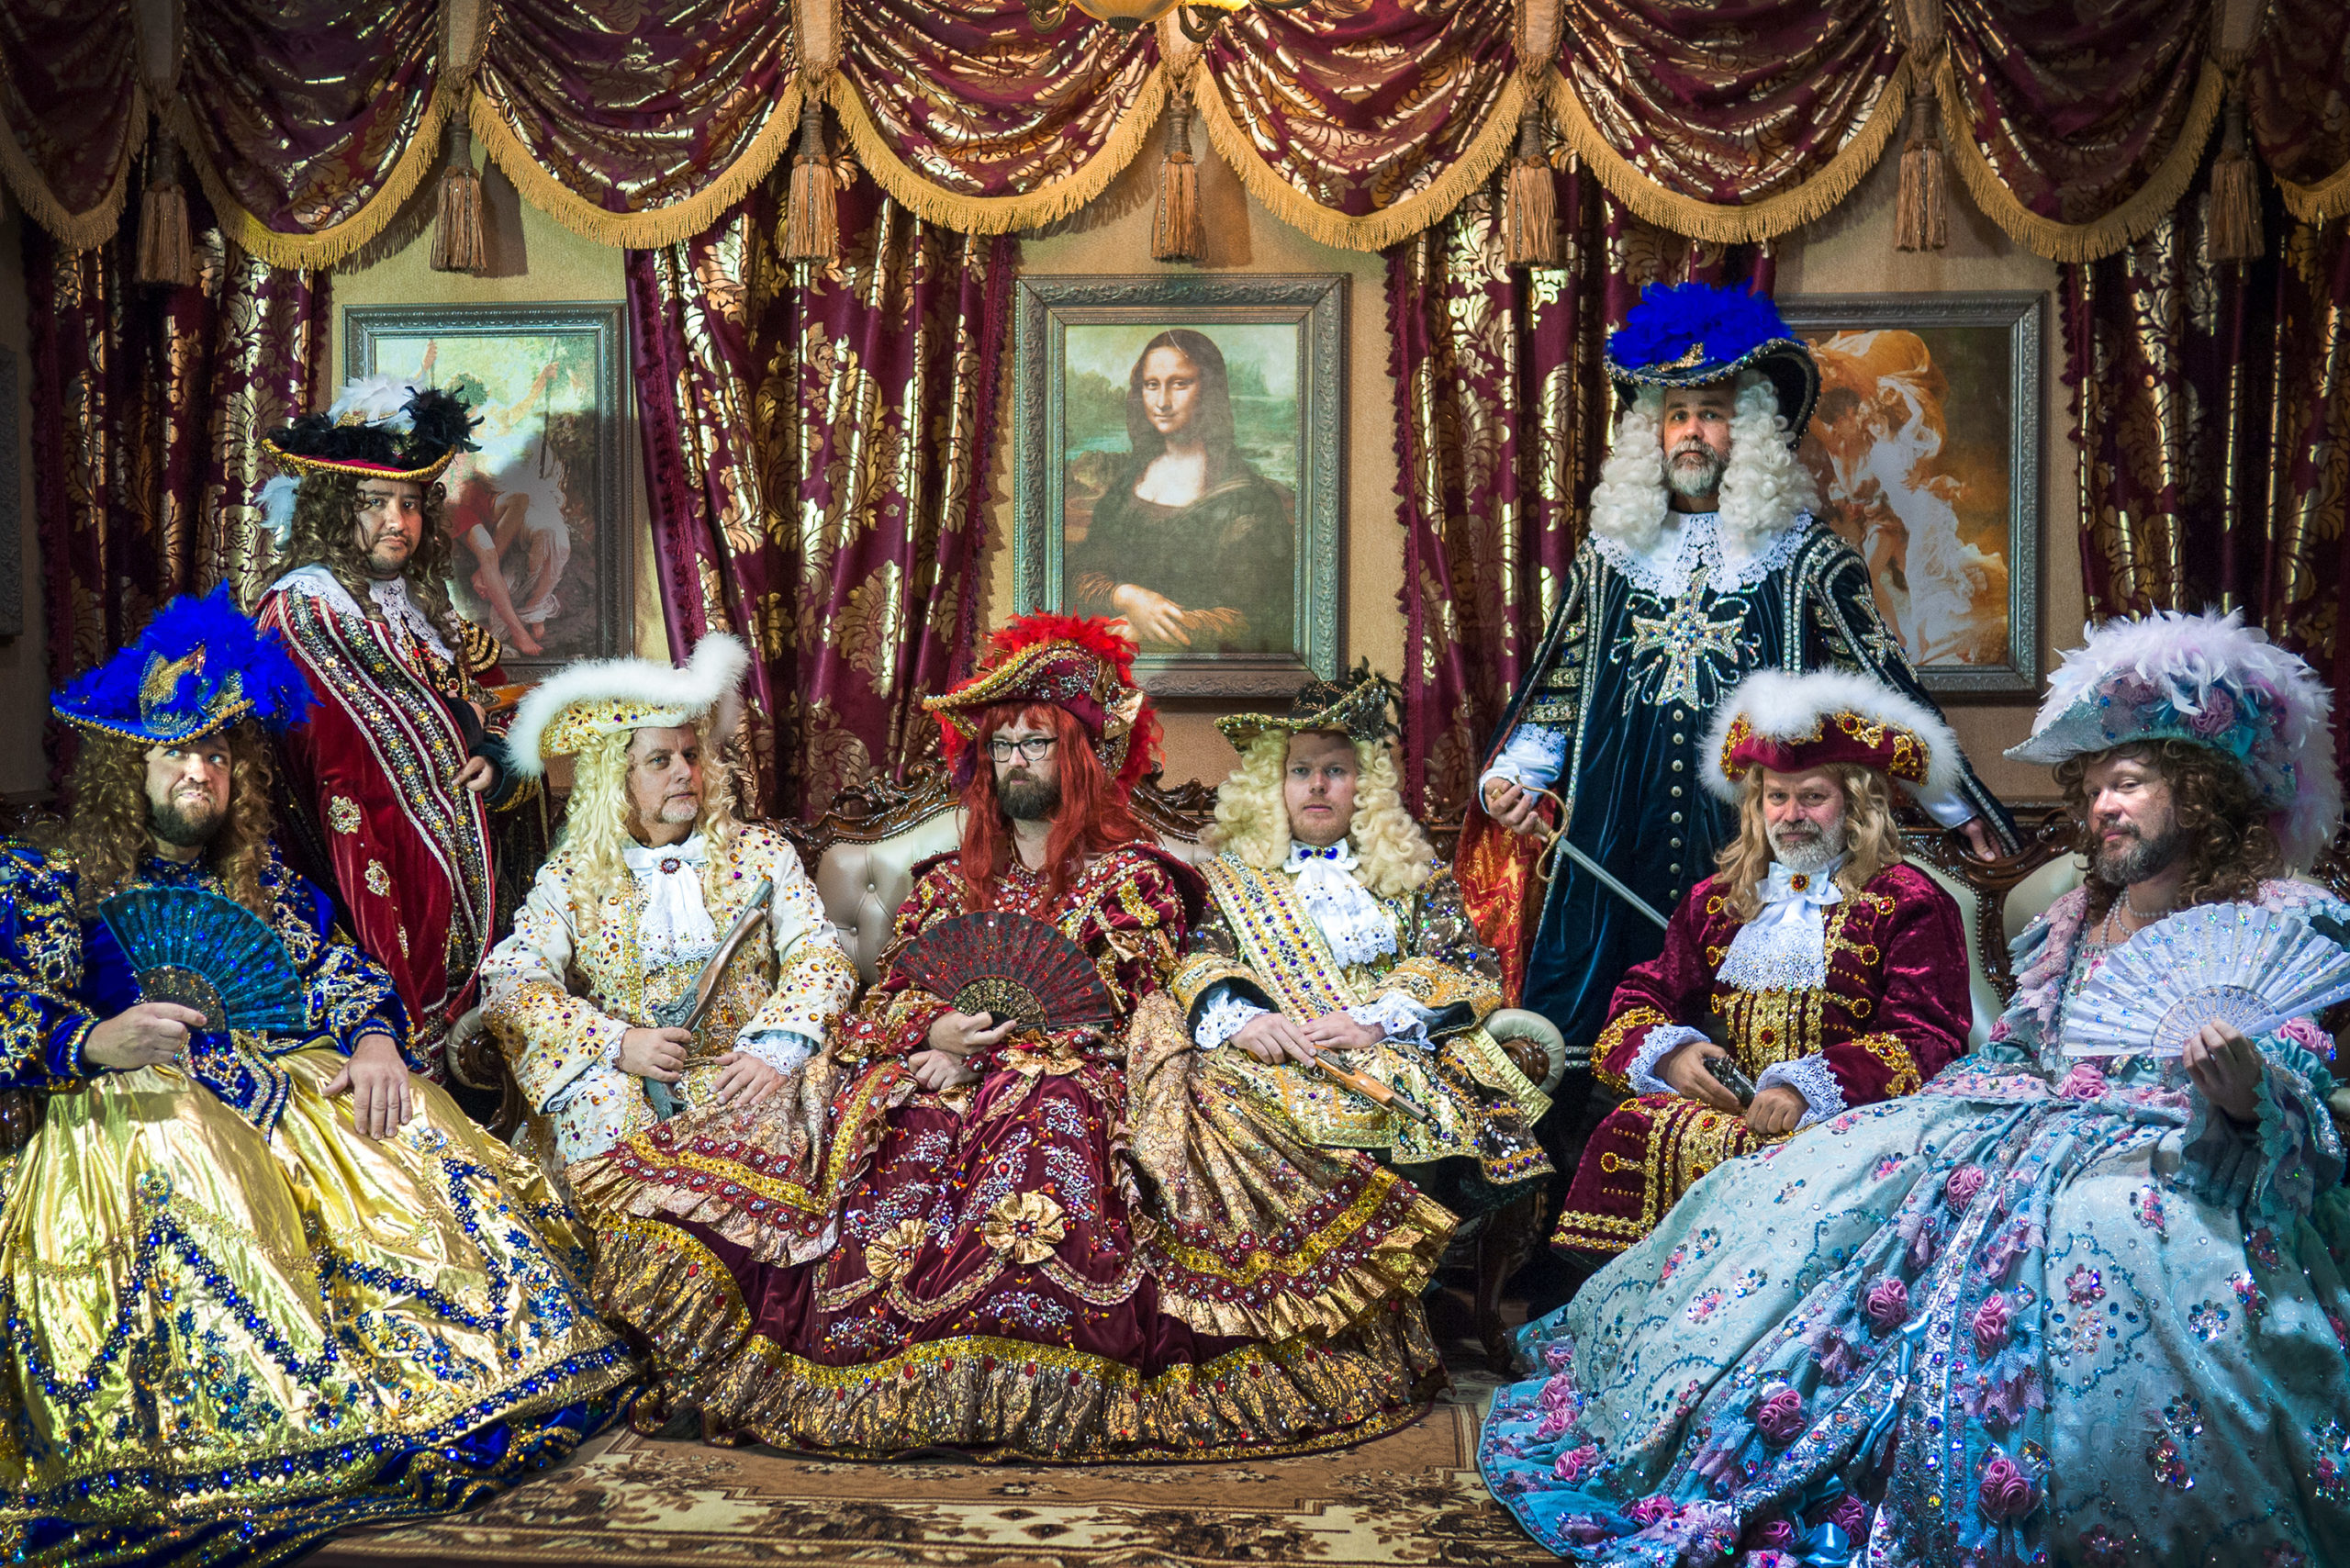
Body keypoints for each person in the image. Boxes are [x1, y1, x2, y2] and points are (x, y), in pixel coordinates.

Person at [1479, 610, 2350, 1567]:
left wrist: (2241, 1093)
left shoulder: (2274, 922)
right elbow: (2013, 1051)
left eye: (2129, 784)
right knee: (1834, 1185)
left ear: (2201, 794)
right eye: (2094, 787)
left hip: (2170, 1152)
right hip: (2018, 1121)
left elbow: (2300, 1098)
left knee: (2101, 1235)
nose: (2102, 806)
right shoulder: (2074, 916)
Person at [570, 614, 1453, 1460]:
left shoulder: (1131, 879)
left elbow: (1128, 1007)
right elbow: (880, 1006)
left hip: (1080, 1076)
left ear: (1075, 753)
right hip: (936, 1073)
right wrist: (936, 1029)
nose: (1019, 759)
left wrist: (1012, 1051)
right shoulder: (946, 884)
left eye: (1038, 740)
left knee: (1050, 1125)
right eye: (1004, 744)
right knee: (893, 1132)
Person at [0, 590, 632, 1566]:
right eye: (178, 752)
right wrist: (87, 1042)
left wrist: (376, 1039)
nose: (200, 771)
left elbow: (339, 970)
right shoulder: (48, 881)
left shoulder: (267, 881)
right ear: (133, 769)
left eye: (216, 753)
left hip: (287, 1087)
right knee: (189, 1157)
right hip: (136, 1103)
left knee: (405, 1118)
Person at [1456, 281, 2013, 1173]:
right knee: (1585, 1021)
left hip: (1753, 832)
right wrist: (1512, 778)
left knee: (1750, 1019)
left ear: (1747, 432)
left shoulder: (1806, 562)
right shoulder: (1608, 561)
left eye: (1709, 414)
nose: (1688, 432)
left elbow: (1883, 687)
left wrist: (1962, 810)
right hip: (1611, 823)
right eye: (1674, 413)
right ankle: (1571, 1232)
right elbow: (1556, 688)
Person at [1550, 668, 1972, 1263]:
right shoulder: (1719, 901)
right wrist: (1673, 1054)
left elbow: (1928, 1039)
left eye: (1813, 796)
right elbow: (1643, 996)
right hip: (1735, 1115)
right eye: (1778, 796)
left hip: (1850, 1124)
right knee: (1633, 1125)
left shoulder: (1909, 902)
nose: (1791, 814)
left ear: (1855, 803)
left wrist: (1809, 1088)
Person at [1175, 664, 1553, 1215]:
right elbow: (1198, 962)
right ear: (1273, 786)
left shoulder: (1413, 876)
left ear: (1367, 787)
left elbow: (1465, 965)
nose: (1318, 786)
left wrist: (1377, 1020)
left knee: (1422, 1086)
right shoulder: (1231, 880)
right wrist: (1245, 1020)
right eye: (1301, 770)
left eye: (1336, 771)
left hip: (1389, 1046)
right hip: (1278, 1055)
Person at [480, 633, 856, 1172]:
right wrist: (614, 1042)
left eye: (689, 754)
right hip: (625, 1080)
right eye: (659, 760)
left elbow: (820, 955)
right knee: (605, 1118)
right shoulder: (572, 875)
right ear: (618, 781)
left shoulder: (763, 854)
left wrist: (775, 1047)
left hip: (743, 1072)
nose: (685, 771)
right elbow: (511, 982)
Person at [252, 375, 532, 1076]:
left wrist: (492, 757)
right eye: (374, 503)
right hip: (366, 899)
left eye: (409, 504)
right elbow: (354, 759)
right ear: (331, 509)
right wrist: (463, 720)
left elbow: (481, 712)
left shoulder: (421, 610)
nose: (396, 523)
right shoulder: (305, 611)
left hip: (464, 889)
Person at [1066, 329, 1295, 656]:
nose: (1162, 402)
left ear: (1210, 390)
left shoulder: (1248, 500)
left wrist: (1144, 630)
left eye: (1180, 383)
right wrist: (1127, 596)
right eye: (1151, 385)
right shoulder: (1128, 484)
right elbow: (1081, 572)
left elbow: (1257, 617)